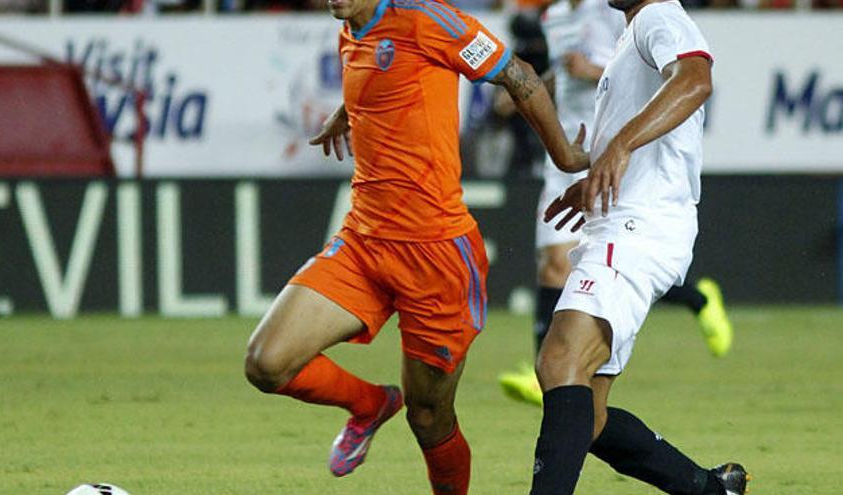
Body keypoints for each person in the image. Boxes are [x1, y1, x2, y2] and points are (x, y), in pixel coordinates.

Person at [243, 0, 585, 493]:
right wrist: (349, 112)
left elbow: (519, 74)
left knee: (428, 416)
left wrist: (565, 154)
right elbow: (386, 74)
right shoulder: (350, 30)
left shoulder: (429, 20)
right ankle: (368, 404)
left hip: (437, 255)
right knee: (265, 362)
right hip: (363, 242)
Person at [527, 1, 750, 494]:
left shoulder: (658, 17)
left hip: (639, 228)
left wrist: (620, 145)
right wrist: (592, 183)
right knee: (591, 415)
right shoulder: (630, 36)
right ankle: (712, 490)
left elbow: (695, 79)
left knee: (559, 360)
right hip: (622, 225)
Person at [498, 0, 734, 407]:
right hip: (571, 149)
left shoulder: (619, 12)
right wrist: (537, 89)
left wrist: (594, 86)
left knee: (597, 262)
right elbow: (575, 74)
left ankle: (695, 298)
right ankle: (555, 371)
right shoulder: (554, 18)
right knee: (554, 264)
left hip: (615, 148)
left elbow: (650, 72)